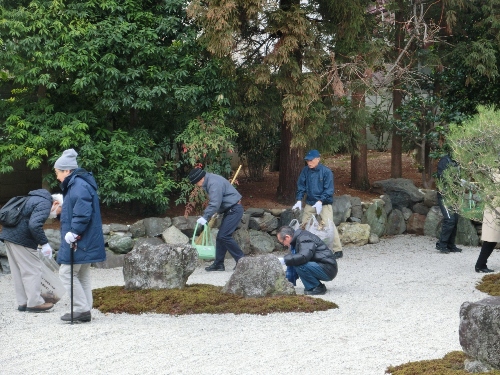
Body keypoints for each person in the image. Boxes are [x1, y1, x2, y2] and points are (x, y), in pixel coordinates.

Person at [55, 148, 106, 323]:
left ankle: (81, 309)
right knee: (82, 272)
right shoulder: (79, 184)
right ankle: (85, 308)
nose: (57, 177)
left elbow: (83, 213)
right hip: (86, 239)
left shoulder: (77, 185)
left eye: (58, 173)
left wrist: (74, 232)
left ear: (67, 171)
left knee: (66, 272)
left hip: (80, 239)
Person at [0, 190, 62, 312]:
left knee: (18, 271)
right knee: (33, 270)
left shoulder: (34, 198)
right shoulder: (45, 203)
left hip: (9, 236)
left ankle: (23, 302)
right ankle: (34, 302)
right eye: (60, 211)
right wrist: (44, 244)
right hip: (22, 239)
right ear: (56, 203)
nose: (57, 215)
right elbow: (34, 225)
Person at [188, 168, 244, 272]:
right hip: (230, 209)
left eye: (196, 182)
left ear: (201, 179)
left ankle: (242, 260)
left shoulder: (213, 183)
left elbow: (215, 202)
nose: (196, 185)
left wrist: (205, 217)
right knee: (220, 237)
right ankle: (219, 264)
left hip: (234, 209)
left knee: (224, 236)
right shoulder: (211, 180)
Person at [292, 149, 343, 259]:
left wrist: (320, 201)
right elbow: (301, 186)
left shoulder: (326, 172)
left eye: (311, 160)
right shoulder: (305, 171)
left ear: (318, 159)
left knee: (329, 225)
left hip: (324, 203)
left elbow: (329, 190)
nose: (309, 162)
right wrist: (299, 200)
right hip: (310, 202)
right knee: (304, 225)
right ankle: (303, 248)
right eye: (307, 160)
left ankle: (337, 250)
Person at [277, 225, 338, 295]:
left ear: (287, 237)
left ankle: (316, 287)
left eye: (282, 242)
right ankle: (315, 285)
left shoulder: (304, 238)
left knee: (299, 265)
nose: (284, 245)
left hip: (328, 268)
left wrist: (284, 260)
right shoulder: (300, 238)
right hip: (325, 266)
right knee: (296, 262)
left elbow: (304, 256)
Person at [435, 153, 462, 254]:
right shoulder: (445, 161)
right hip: (445, 195)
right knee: (449, 220)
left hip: (454, 195)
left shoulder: (458, 162)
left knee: (455, 219)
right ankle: (442, 244)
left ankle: (451, 245)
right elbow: (441, 177)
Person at [474, 174, 500, 273]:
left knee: (491, 240)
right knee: (491, 240)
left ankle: (480, 264)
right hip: (495, 209)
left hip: (494, 208)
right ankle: (480, 265)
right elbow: (489, 193)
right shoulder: (494, 172)